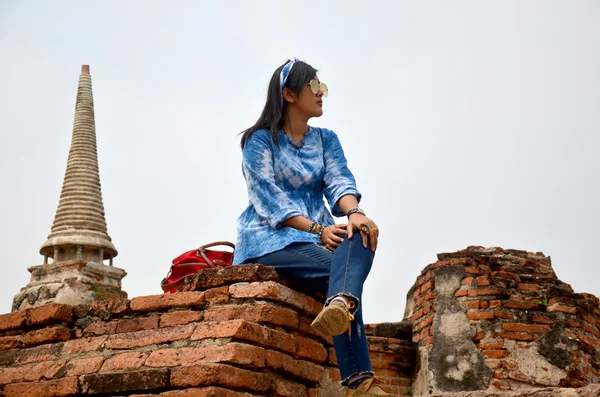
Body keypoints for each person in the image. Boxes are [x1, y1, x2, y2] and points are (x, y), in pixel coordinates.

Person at [234, 58, 389, 396]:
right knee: (341, 271)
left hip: (313, 240)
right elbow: (268, 199)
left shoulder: (326, 140)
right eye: (315, 87)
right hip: (269, 241)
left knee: (360, 234)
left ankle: (340, 305)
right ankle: (360, 382)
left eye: (323, 88)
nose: (322, 94)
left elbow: (339, 180)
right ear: (289, 94)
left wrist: (355, 214)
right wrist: (319, 230)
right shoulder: (259, 141)